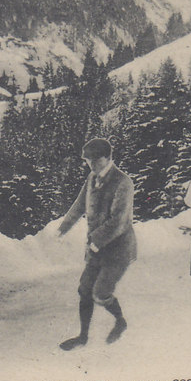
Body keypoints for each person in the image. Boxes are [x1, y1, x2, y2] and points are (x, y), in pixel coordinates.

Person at [56, 138, 136, 350]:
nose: (91, 164)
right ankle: (82, 336)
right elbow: (80, 204)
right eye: (88, 160)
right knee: (84, 289)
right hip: (96, 248)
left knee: (100, 292)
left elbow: (119, 221)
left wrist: (96, 240)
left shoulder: (123, 182)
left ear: (108, 158)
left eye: (95, 160)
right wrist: (64, 227)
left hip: (118, 249)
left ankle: (120, 321)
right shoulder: (92, 178)